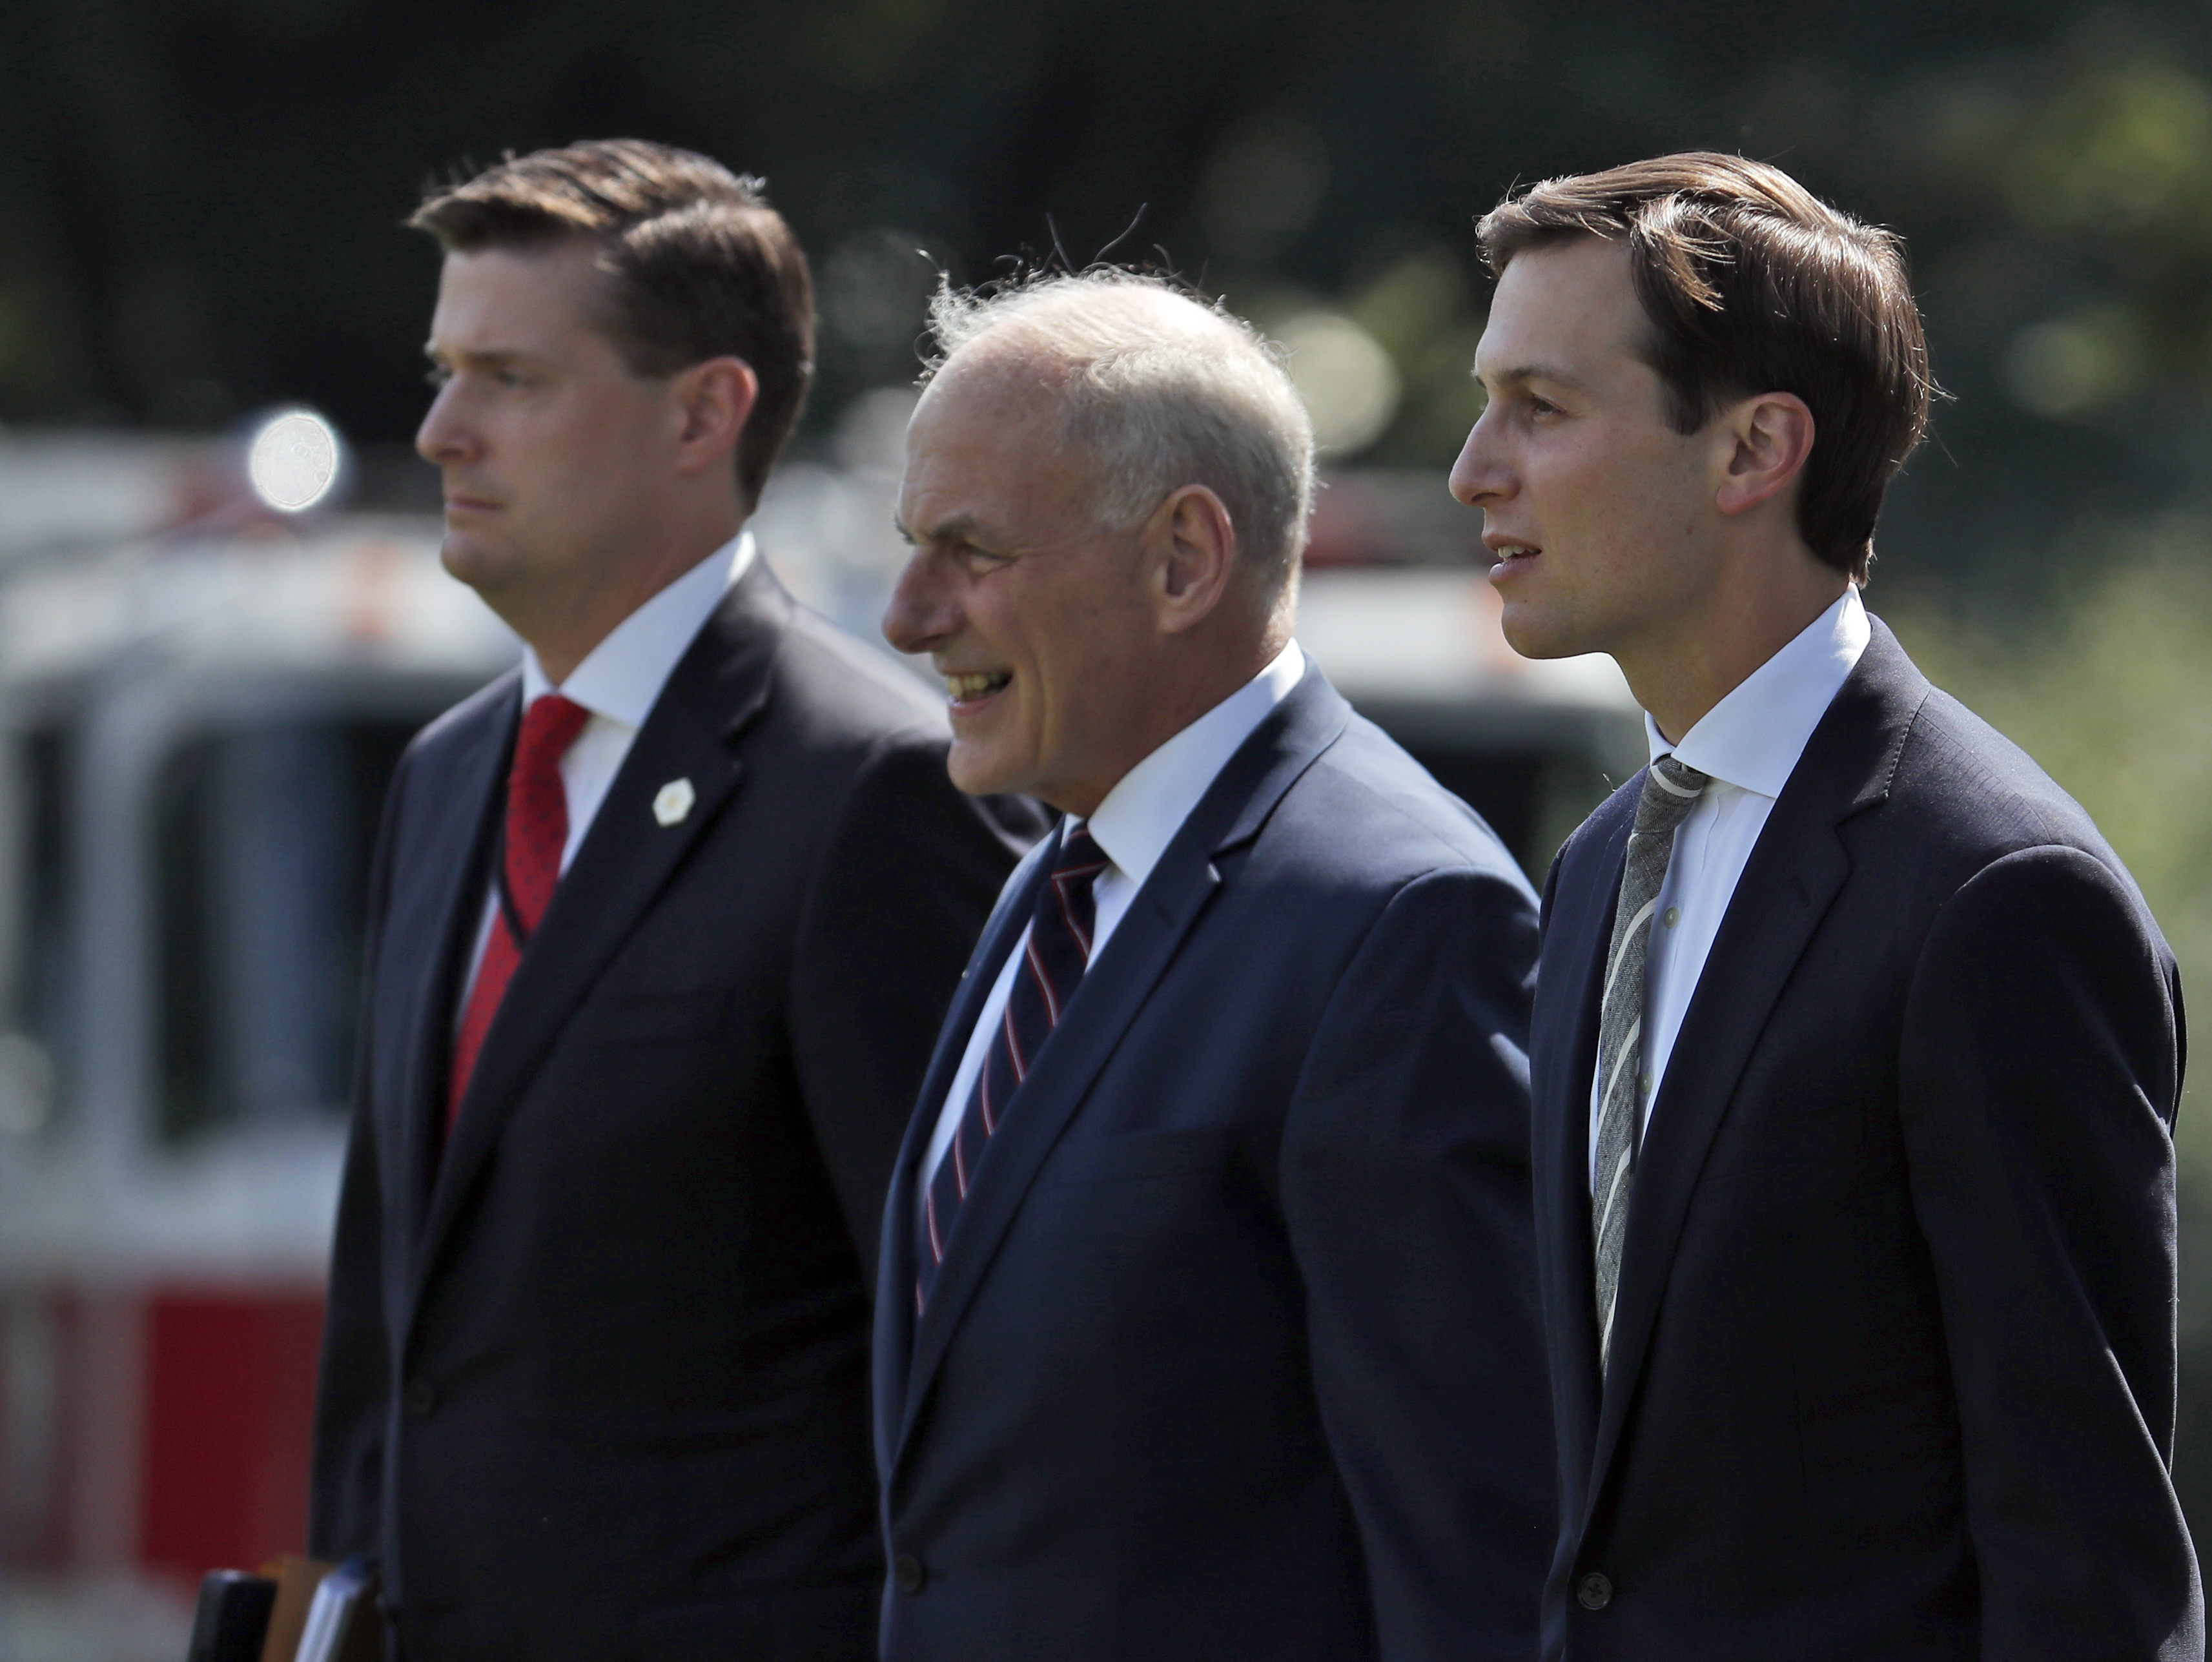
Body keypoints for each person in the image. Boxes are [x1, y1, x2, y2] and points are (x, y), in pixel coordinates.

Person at [1452, 151, 2202, 1660]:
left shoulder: (1998, 896)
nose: (1476, 466)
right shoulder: (1599, 865)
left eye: (1542, 407)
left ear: (1753, 452)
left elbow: (2089, 1559)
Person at [307, 140, 1039, 1661]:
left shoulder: (881, 792)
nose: (442, 429)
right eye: (445, 370)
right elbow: (401, 1335)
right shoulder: (450, 778)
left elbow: (980, 1370)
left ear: (706, 411)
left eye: (510, 378)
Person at [871, 271, 1554, 1662]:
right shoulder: (1056, 876)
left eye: (970, 550)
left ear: (1183, 558)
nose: (906, 613)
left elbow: (1471, 1559)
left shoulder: (1400, 922)